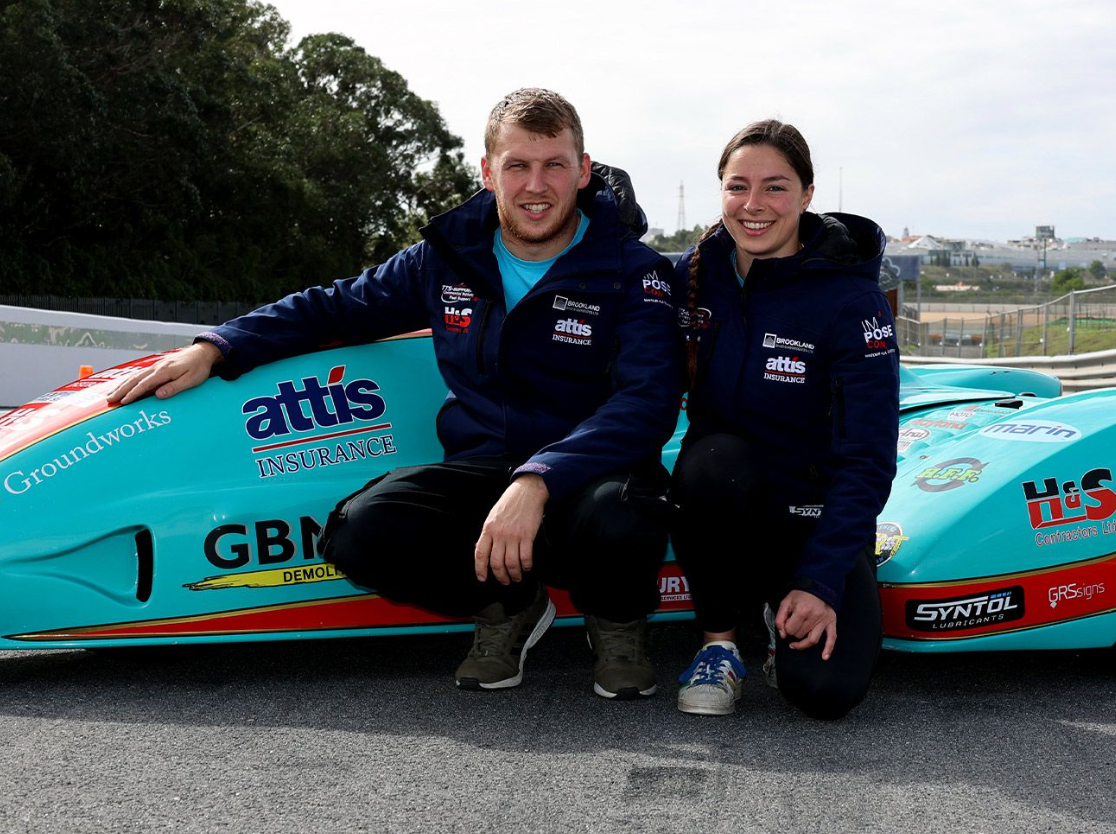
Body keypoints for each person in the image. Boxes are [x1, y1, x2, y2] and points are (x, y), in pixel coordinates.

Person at [111, 88, 683, 700]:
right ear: (488, 172)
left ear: (583, 171)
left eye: (553, 165)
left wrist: (538, 478)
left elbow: (646, 404)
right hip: (485, 466)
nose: (535, 185)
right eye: (517, 165)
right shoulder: (446, 257)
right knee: (361, 531)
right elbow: (336, 307)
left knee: (620, 514)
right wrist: (218, 346)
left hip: (593, 471)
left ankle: (618, 623)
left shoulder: (636, 271)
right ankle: (509, 605)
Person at [670, 120, 899, 719]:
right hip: (728, 502)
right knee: (714, 460)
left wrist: (822, 581)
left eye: (775, 187)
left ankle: (783, 605)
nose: (753, 205)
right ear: (719, 192)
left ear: (807, 194)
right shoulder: (693, 277)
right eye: (736, 186)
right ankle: (719, 643)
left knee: (824, 695)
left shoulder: (852, 302)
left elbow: (869, 459)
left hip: (812, 521)